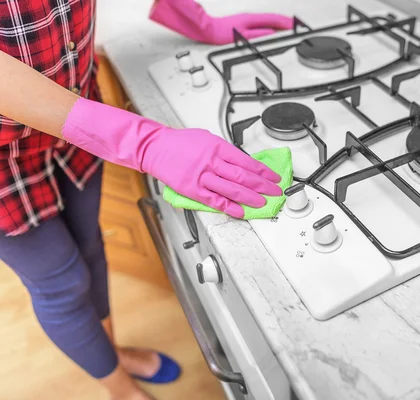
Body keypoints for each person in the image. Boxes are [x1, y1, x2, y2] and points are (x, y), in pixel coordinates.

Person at [0, 0, 293, 398]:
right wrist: (141, 141)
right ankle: (119, 387)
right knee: (61, 283)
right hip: (10, 157)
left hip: (76, 117)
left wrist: (198, 21)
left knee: (91, 248)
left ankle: (110, 351)